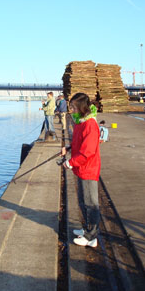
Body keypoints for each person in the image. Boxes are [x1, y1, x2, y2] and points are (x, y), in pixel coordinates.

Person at [61, 93, 101, 248]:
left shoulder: (90, 124)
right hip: (81, 169)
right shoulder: (80, 122)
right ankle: (86, 229)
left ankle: (91, 237)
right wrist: (69, 148)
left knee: (91, 204)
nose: (70, 110)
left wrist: (71, 162)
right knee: (83, 202)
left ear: (81, 108)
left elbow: (87, 151)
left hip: (88, 169)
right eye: (70, 107)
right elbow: (79, 143)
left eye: (73, 107)